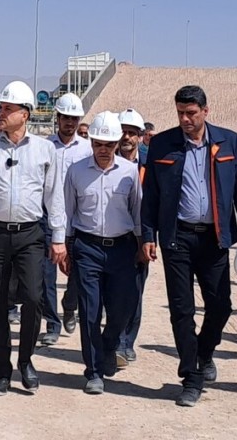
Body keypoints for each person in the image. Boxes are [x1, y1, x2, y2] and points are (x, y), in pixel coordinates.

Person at [141, 85, 237, 407]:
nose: (185, 119)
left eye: (191, 113)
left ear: (206, 111)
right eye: (180, 113)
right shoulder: (162, 144)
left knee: (221, 306)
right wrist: (148, 235)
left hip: (214, 238)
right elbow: (150, 195)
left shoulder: (229, 142)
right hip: (176, 238)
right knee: (182, 310)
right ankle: (191, 377)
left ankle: (204, 352)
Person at [0, 80, 66, 396]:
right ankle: (1, 372)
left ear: (25, 114)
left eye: (7, 108)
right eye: (0, 107)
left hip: (30, 234)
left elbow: (54, 196)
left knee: (33, 297)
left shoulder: (44, 150)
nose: (0, 113)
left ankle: (26, 360)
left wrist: (58, 236)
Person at [63, 112, 143, 394]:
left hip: (122, 248)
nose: (103, 150)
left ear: (117, 143)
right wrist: (64, 246)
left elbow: (137, 211)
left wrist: (141, 244)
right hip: (87, 248)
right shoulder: (76, 171)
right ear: (92, 142)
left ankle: (110, 345)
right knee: (90, 311)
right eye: (98, 144)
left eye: (109, 144)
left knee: (122, 309)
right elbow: (68, 211)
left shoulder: (129, 172)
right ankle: (94, 371)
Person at [40, 93, 91, 346]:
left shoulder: (87, 149)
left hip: (77, 220)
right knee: (45, 275)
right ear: (57, 118)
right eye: (65, 118)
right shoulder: (44, 146)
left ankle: (69, 305)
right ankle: (52, 323)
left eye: (74, 118)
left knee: (78, 275)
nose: (69, 123)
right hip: (49, 220)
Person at [116, 108, 148, 364]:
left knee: (135, 292)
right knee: (112, 293)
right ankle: (115, 341)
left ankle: (127, 342)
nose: (126, 137)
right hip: (112, 234)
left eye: (131, 133)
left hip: (139, 238)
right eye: (123, 132)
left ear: (140, 136)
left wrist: (149, 238)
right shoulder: (105, 158)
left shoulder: (150, 163)